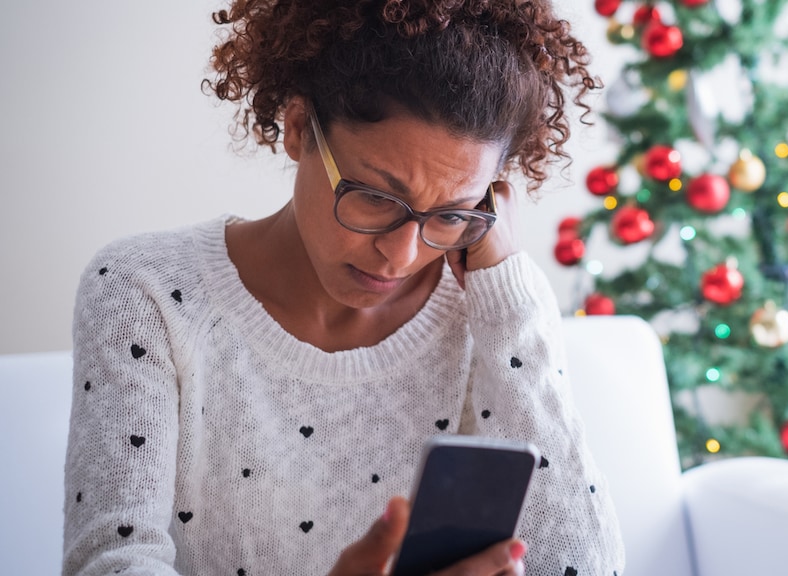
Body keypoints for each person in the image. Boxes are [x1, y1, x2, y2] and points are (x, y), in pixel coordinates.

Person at [63, 0, 624, 574]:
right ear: (301, 128)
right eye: (377, 198)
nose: (402, 254)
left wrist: (507, 294)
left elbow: (585, 564)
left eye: (452, 215)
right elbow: (111, 563)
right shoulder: (148, 294)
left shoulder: (489, 309)